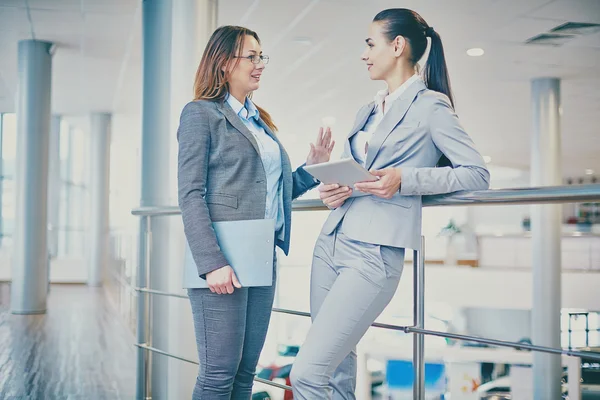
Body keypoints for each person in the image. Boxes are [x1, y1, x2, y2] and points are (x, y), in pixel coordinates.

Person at [289, 8, 490, 399]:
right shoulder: (369, 109)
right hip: (331, 244)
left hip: (374, 254)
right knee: (334, 372)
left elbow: (476, 173)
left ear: (397, 46)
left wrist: (406, 179)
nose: (364, 54)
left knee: (306, 375)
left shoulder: (431, 106)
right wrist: (331, 186)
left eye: (370, 44)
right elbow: (362, 177)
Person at [177, 25, 334, 400]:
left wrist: (313, 167)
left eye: (262, 56)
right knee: (218, 374)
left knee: (245, 374)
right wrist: (211, 262)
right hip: (222, 260)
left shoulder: (258, 119)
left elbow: (273, 190)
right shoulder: (201, 115)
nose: (260, 64)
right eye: (252, 56)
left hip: (262, 257)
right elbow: (190, 193)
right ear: (224, 62)